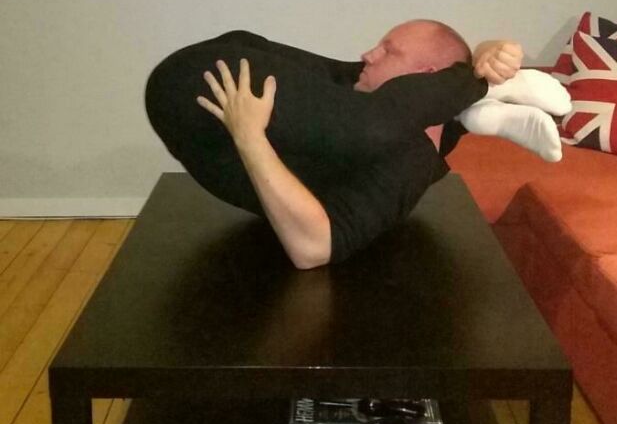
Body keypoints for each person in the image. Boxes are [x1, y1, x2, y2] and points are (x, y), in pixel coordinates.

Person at [144, 21, 568, 269]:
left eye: (389, 50)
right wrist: (485, 55)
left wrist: (250, 136)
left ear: (429, 73)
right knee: (358, 97)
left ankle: (479, 93)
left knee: (372, 122)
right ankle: (475, 104)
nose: (369, 53)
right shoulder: (362, 108)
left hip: (187, 94)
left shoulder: (406, 156)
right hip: (208, 71)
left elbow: (312, 248)